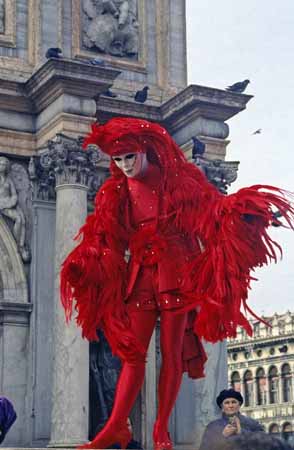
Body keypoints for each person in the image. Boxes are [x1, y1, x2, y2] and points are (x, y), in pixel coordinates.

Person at [61, 117, 294, 450]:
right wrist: (85, 262)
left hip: (175, 275)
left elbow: (213, 211)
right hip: (141, 275)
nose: (125, 166)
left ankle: (160, 429)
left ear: (143, 151)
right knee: (133, 353)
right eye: (118, 159)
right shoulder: (114, 191)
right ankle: (116, 427)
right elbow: (104, 236)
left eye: (130, 157)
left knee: (171, 354)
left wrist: (246, 212)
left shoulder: (178, 181)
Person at [199, 389, 263, 450]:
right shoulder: (212, 427)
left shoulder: (252, 424)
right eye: (227, 403)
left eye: (234, 402)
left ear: (239, 405)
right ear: (222, 406)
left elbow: (264, 444)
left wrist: (241, 432)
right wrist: (222, 436)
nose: (231, 405)